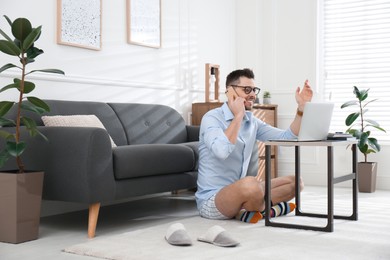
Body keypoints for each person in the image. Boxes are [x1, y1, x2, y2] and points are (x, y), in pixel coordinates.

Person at [195, 68, 313, 223]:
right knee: (250, 184)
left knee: (296, 183)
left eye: (254, 90)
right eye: (247, 89)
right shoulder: (211, 118)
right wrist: (238, 115)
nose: (253, 94)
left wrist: (301, 110)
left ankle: (251, 210)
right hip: (213, 199)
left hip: (245, 191)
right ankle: (269, 209)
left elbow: (287, 138)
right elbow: (222, 151)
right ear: (231, 92)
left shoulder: (252, 122)